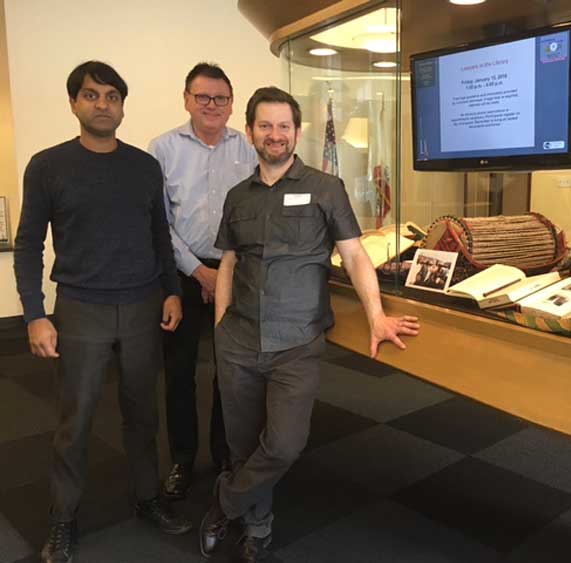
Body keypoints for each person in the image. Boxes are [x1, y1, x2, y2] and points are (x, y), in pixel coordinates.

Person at [199, 86, 420, 562]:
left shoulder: (326, 188)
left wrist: (376, 316)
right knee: (241, 444)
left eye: (283, 126)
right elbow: (230, 263)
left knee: (282, 445)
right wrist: (219, 326)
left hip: (296, 343)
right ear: (251, 130)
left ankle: (224, 500)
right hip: (237, 340)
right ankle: (257, 527)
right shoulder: (238, 197)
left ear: (297, 132)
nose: (274, 135)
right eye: (265, 125)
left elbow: (355, 255)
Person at [13, 61, 192, 563]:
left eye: (112, 96)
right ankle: (63, 518)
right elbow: (28, 246)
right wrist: (34, 313)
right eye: (91, 95)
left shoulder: (143, 166)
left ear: (121, 106)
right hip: (80, 309)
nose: (102, 104)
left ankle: (146, 497)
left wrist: (172, 291)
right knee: (76, 420)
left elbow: (160, 236)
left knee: (142, 413)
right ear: (73, 103)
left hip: (142, 306)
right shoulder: (47, 165)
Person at [149, 62, 258, 499]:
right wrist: (197, 270)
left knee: (230, 371)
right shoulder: (163, 148)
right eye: (202, 97)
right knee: (179, 372)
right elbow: (160, 222)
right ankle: (181, 458)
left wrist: (224, 271)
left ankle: (225, 453)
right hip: (181, 275)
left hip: (236, 271)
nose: (211, 105)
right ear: (187, 100)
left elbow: (255, 214)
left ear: (231, 104)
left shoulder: (248, 149)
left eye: (221, 98)